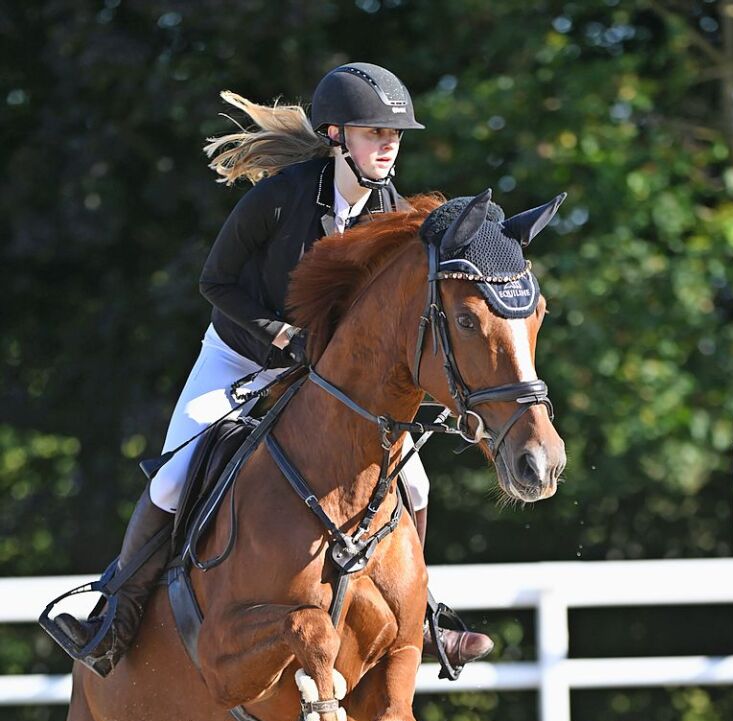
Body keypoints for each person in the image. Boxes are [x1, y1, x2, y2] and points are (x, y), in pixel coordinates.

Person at [52, 62, 493, 677]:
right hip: (242, 355)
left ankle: (424, 615)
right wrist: (280, 336)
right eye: (374, 134)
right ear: (336, 136)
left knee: (415, 484)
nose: (388, 147)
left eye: (395, 137)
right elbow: (217, 282)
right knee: (175, 476)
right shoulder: (280, 198)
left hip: (330, 377)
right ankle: (116, 609)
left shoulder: (390, 207)